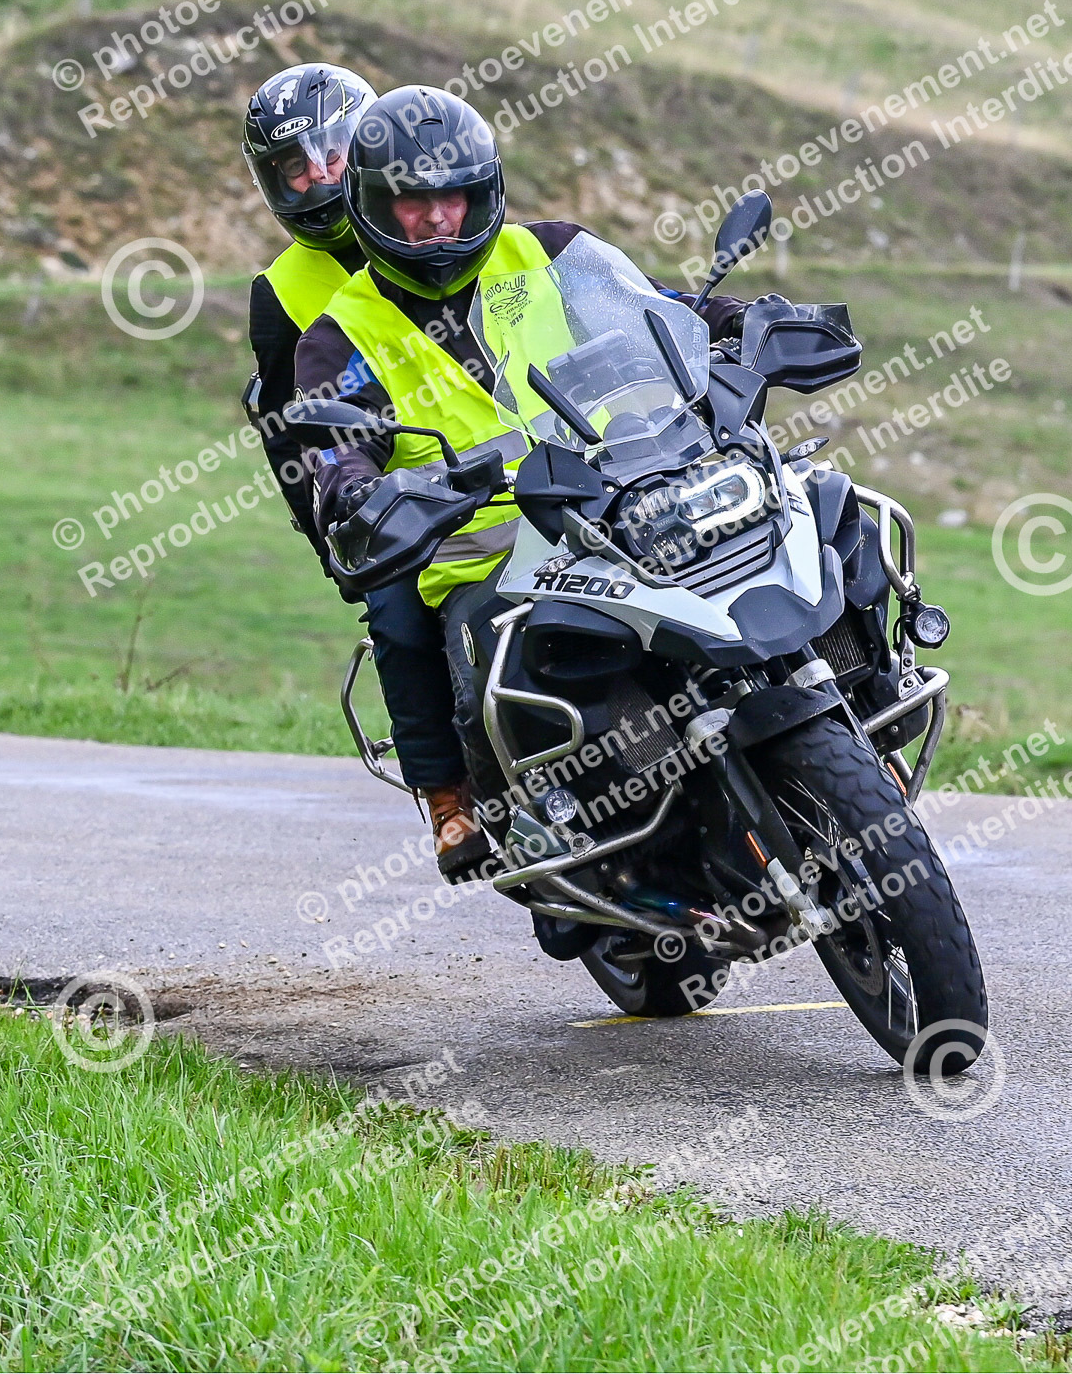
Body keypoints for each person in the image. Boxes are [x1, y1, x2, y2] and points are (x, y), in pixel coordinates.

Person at [293, 84, 746, 877]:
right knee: (430, 641)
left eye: (455, 196)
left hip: (618, 498)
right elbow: (336, 444)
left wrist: (745, 319)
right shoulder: (342, 335)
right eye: (412, 202)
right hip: (481, 551)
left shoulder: (552, 254)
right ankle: (467, 800)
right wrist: (357, 489)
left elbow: (656, 308)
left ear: (485, 192)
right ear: (371, 205)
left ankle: (841, 716)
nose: (438, 218)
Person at [242, 62, 379, 556]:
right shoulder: (277, 291)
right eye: (296, 167)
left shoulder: (437, 228)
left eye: (331, 154)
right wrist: (337, 554)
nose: (318, 176)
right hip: (395, 517)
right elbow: (285, 436)